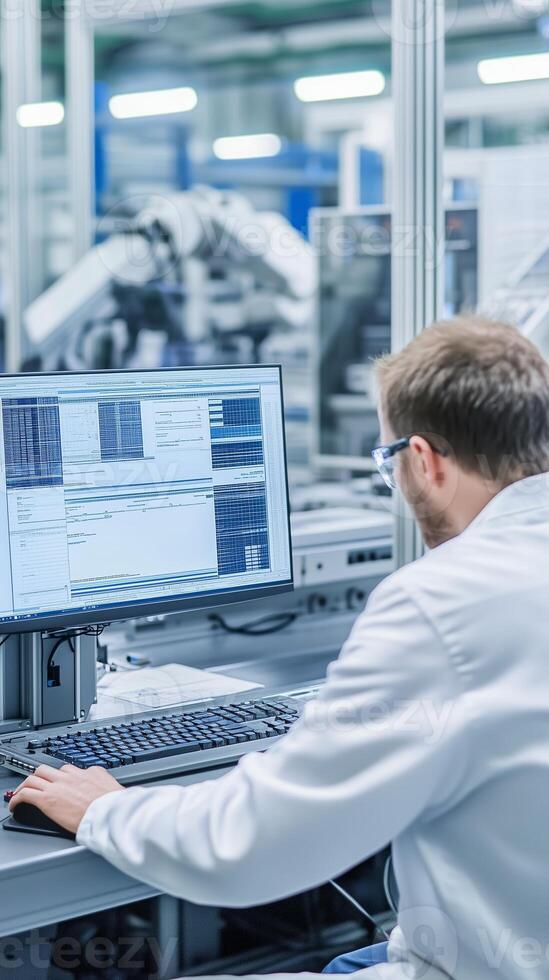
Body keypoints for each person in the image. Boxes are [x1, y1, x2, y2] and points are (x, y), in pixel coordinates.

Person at [11, 316, 549, 979]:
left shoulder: (441, 601)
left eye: (389, 465)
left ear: (423, 460)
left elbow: (247, 850)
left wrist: (104, 810)